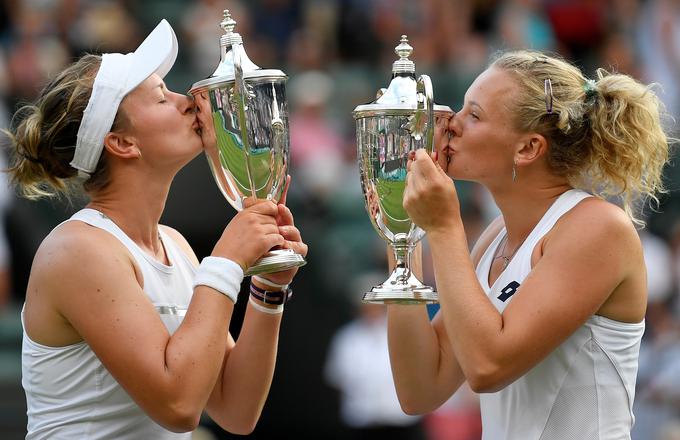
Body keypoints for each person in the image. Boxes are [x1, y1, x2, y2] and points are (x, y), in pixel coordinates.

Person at [3, 19, 307, 439]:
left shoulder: (176, 245)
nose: (187, 101)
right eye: (162, 96)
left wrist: (268, 291)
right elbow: (179, 406)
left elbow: (236, 410)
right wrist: (225, 260)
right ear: (122, 143)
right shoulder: (78, 250)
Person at [388, 49, 671, 439]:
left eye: (475, 114)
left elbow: (488, 368)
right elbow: (420, 388)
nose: (451, 124)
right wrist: (398, 230)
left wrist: (443, 226)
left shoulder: (598, 228)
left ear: (527, 148)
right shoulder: (493, 237)